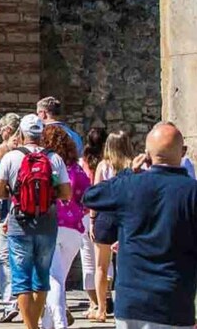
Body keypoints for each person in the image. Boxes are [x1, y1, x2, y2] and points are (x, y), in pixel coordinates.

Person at [82, 122, 197, 329]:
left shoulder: (130, 185)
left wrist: (128, 173)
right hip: (173, 302)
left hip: (131, 302)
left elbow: (92, 196)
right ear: (183, 152)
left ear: (147, 155)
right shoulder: (191, 191)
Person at [0, 114, 71, 329]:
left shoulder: (11, 157)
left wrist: (14, 194)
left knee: (21, 278)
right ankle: (37, 323)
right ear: (41, 134)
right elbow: (66, 193)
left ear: (21, 134)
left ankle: (30, 327)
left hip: (19, 221)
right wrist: (47, 195)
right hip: (47, 221)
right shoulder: (54, 158)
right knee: (41, 276)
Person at [39, 125, 90, 329]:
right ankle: (47, 324)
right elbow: (88, 196)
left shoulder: (47, 165)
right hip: (74, 229)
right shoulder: (76, 168)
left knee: (54, 278)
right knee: (58, 277)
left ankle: (60, 323)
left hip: (51, 225)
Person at [89, 130, 135, 323]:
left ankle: (101, 309)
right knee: (125, 265)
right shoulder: (133, 166)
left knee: (101, 266)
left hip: (105, 216)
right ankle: (124, 307)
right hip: (127, 216)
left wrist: (92, 220)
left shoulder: (103, 166)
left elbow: (95, 195)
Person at [0, 112, 23, 323]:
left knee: (4, 257)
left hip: (9, 210)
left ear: (8, 131)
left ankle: (10, 302)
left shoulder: (5, 150)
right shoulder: (37, 152)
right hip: (34, 211)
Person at [78, 127, 106, 319]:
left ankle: (94, 303)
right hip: (105, 213)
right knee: (105, 262)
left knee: (88, 260)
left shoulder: (82, 163)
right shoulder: (108, 163)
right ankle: (105, 300)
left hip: (85, 213)